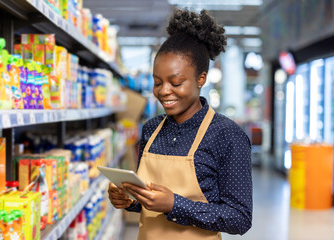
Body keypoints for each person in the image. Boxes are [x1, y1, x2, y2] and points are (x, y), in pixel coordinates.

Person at [108, 8, 252, 240]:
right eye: (158, 82)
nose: (164, 91)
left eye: (176, 82)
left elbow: (240, 218)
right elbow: (149, 201)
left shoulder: (227, 135)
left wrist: (175, 205)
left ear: (201, 79)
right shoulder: (152, 129)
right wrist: (129, 199)